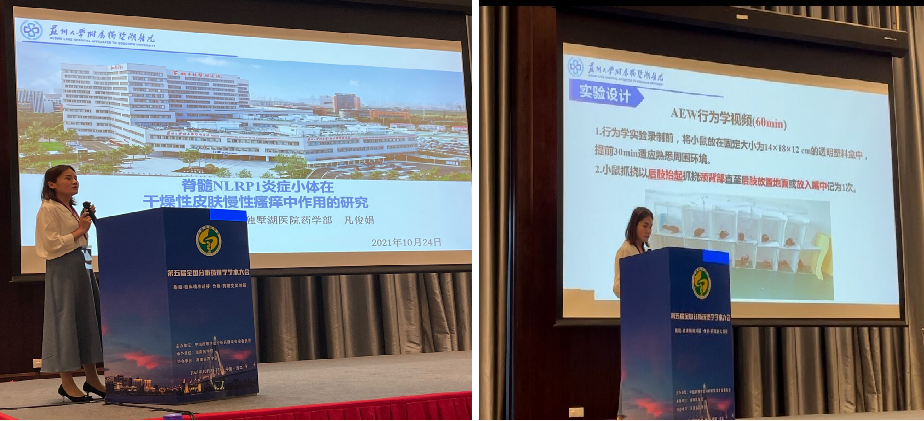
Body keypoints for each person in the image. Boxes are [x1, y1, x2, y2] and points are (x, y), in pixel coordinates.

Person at [36, 165, 105, 402]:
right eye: (68, 178)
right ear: (52, 184)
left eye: (76, 177)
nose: (75, 181)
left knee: (87, 319)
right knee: (65, 320)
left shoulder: (71, 209)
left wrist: (84, 224)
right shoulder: (48, 208)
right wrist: (80, 230)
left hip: (83, 261)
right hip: (63, 267)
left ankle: (92, 379)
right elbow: (51, 245)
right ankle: (67, 383)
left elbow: (80, 238)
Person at [612, 207, 653, 298]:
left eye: (650, 227)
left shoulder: (645, 252)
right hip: (634, 304)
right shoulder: (626, 250)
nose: (649, 231)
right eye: (645, 226)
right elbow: (617, 288)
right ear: (634, 225)